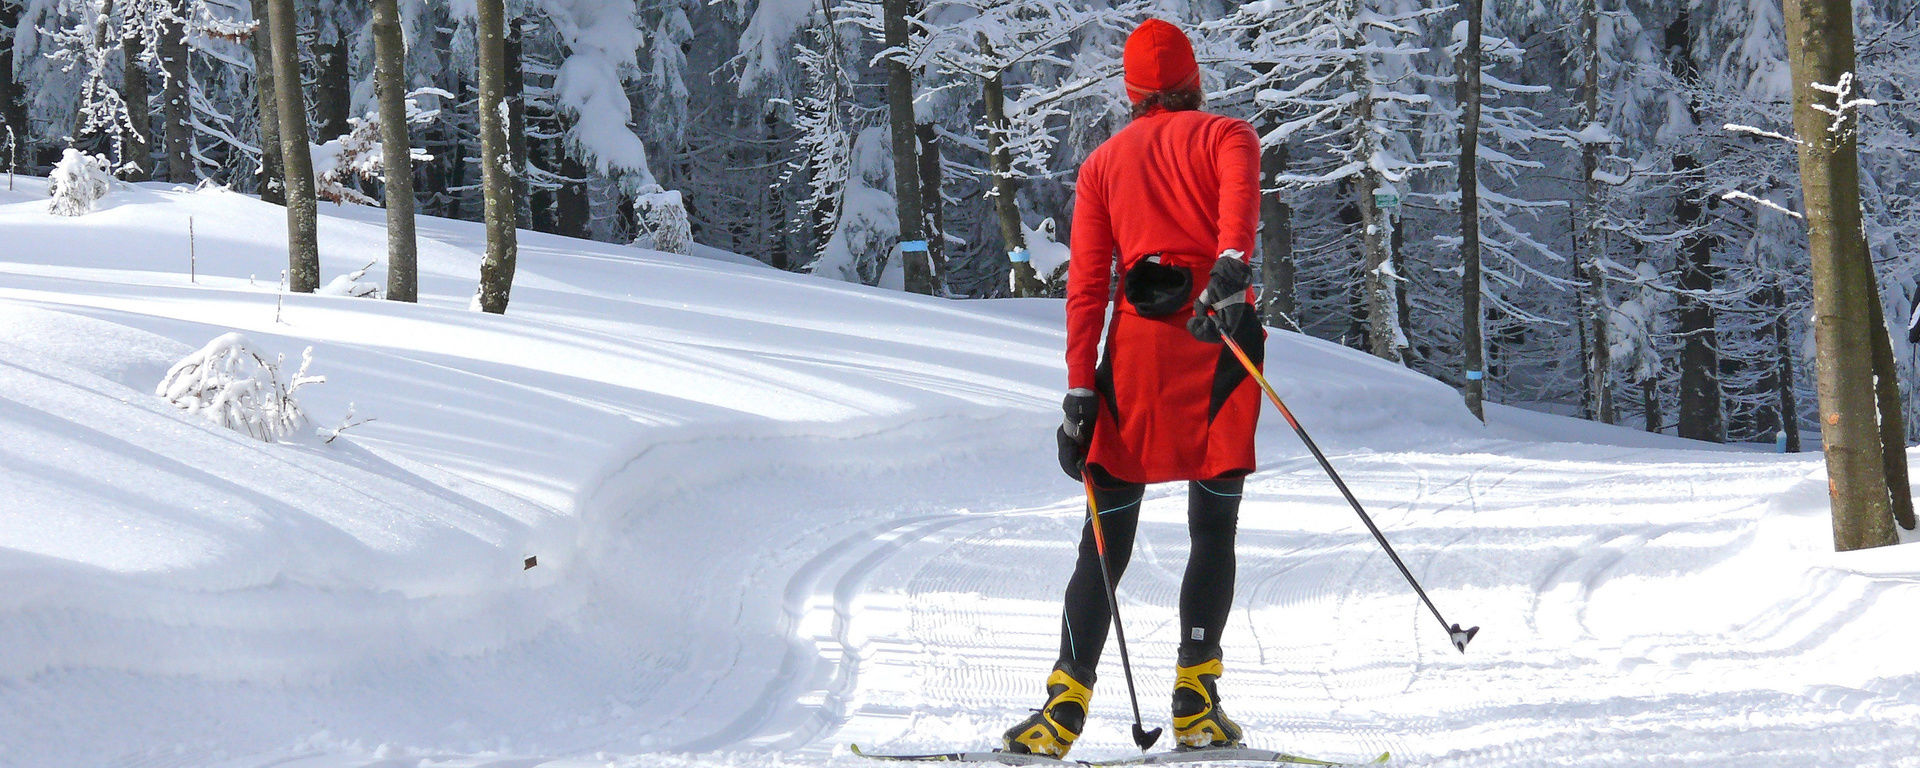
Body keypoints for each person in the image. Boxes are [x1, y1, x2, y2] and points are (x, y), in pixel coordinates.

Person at [1001, 16, 1264, 759]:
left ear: (1132, 92)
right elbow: (1239, 209)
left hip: (1134, 363)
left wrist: (1081, 393)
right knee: (1213, 530)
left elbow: (1086, 287)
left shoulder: (1102, 165)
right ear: (1192, 79)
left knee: (1104, 540)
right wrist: (1229, 270)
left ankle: (1063, 709)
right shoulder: (1227, 136)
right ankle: (1195, 701)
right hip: (1218, 346)